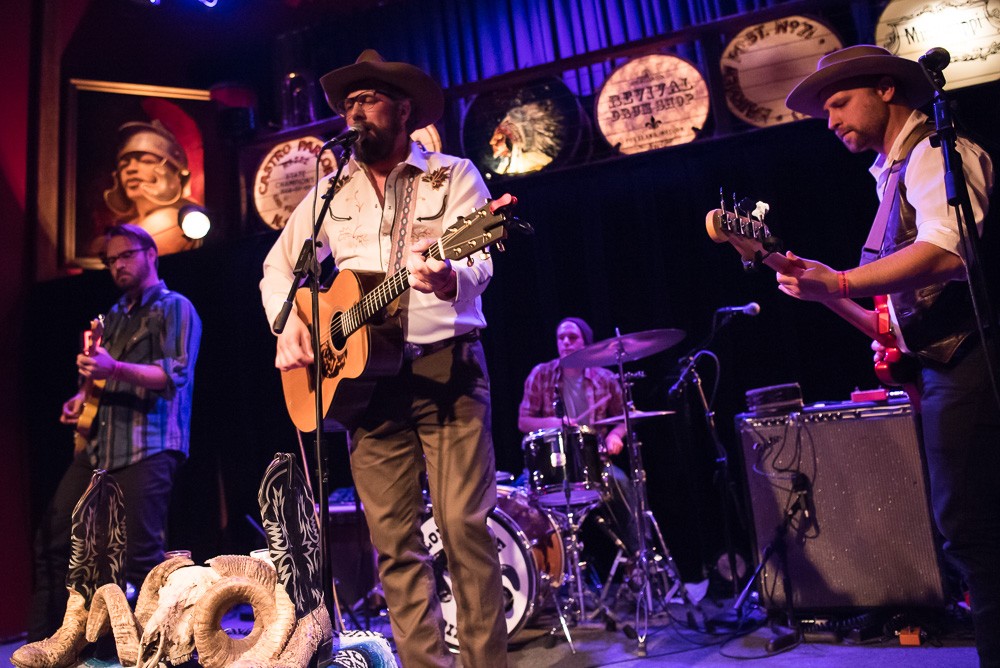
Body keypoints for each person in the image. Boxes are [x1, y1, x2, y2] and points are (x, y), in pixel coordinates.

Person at [259, 50, 507, 667]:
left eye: (367, 100)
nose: (355, 112)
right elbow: (276, 269)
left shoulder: (453, 175)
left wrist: (449, 276)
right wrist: (290, 326)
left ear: (402, 110)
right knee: (394, 545)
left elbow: (478, 259)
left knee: (464, 531)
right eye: (348, 104)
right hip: (366, 388)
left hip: (446, 368)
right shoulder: (326, 193)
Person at [781, 45, 999, 665]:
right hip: (942, 365)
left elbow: (951, 253)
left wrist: (844, 281)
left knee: (975, 532)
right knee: (972, 530)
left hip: (976, 355)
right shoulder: (892, 175)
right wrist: (820, 291)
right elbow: (893, 327)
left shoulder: (937, 152)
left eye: (839, 103)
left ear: (884, 88)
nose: (830, 121)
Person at [27, 224, 201, 641]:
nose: (117, 265)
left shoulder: (175, 307)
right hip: (100, 448)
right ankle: (54, 642)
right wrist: (82, 397)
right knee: (56, 539)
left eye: (125, 255)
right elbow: (103, 375)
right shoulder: (113, 315)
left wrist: (114, 369)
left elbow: (173, 375)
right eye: (111, 260)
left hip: (149, 444)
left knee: (142, 557)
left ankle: (158, 648)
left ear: (151, 254)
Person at [517, 317, 639, 554]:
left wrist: (615, 436)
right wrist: (557, 422)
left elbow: (624, 417)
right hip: (552, 466)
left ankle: (634, 560)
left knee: (623, 483)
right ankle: (543, 569)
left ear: (586, 343)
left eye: (572, 337)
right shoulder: (541, 374)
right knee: (521, 498)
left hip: (596, 464)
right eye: (561, 338)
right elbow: (524, 421)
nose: (565, 342)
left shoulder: (606, 378)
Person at [103, 121, 201, 256]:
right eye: (124, 164)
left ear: (175, 174)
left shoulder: (171, 221)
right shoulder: (132, 225)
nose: (130, 169)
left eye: (147, 161)